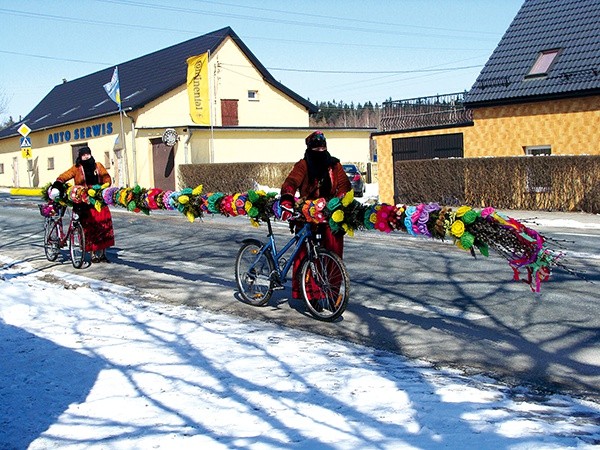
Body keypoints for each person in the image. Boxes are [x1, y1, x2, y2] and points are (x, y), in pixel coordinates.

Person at [280, 130, 352, 300]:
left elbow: (344, 186)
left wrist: (339, 202)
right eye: (316, 149)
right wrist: (287, 199)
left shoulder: (334, 166)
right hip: (308, 217)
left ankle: (332, 293)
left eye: (322, 148)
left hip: (331, 217)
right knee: (307, 254)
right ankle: (310, 294)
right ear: (310, 149)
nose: (320, 152)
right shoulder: (303, 165)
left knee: (333, 254)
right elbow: (290, 183)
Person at [49, 146, 115, 263]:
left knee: (104, 225)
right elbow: (65, 176)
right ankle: (93, 253)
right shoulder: (76, 168)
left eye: (88, 154)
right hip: (84, 201)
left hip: (98, 199)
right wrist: (58, 183)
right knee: (89, 227)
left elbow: (107, 178)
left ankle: (103, 252)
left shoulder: (98, 165)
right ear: (80, 156)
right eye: (84, 155)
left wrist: (103, 186)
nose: (86, 156)